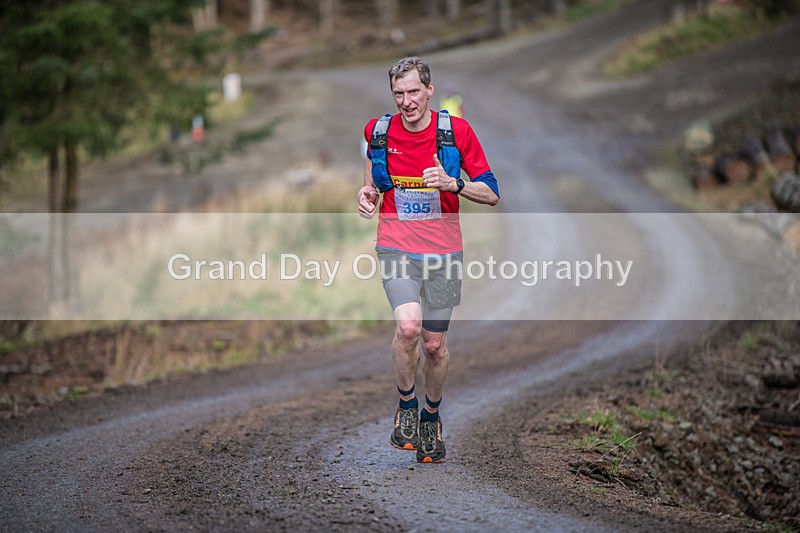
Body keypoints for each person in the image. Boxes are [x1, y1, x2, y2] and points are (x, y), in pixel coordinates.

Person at [357, 57, 499, 463]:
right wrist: (366, 196)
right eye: (398, 93)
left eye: (414, 92)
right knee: (408, 327)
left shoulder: (456, 133)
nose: (407, 101)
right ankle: (406, 405)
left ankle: (430, 417)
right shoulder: (378, 132)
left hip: (444, 252)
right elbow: (371, 185)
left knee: (434, 345)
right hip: (396, 245)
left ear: (430, 90)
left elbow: (491, 192)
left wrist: (453, 183)